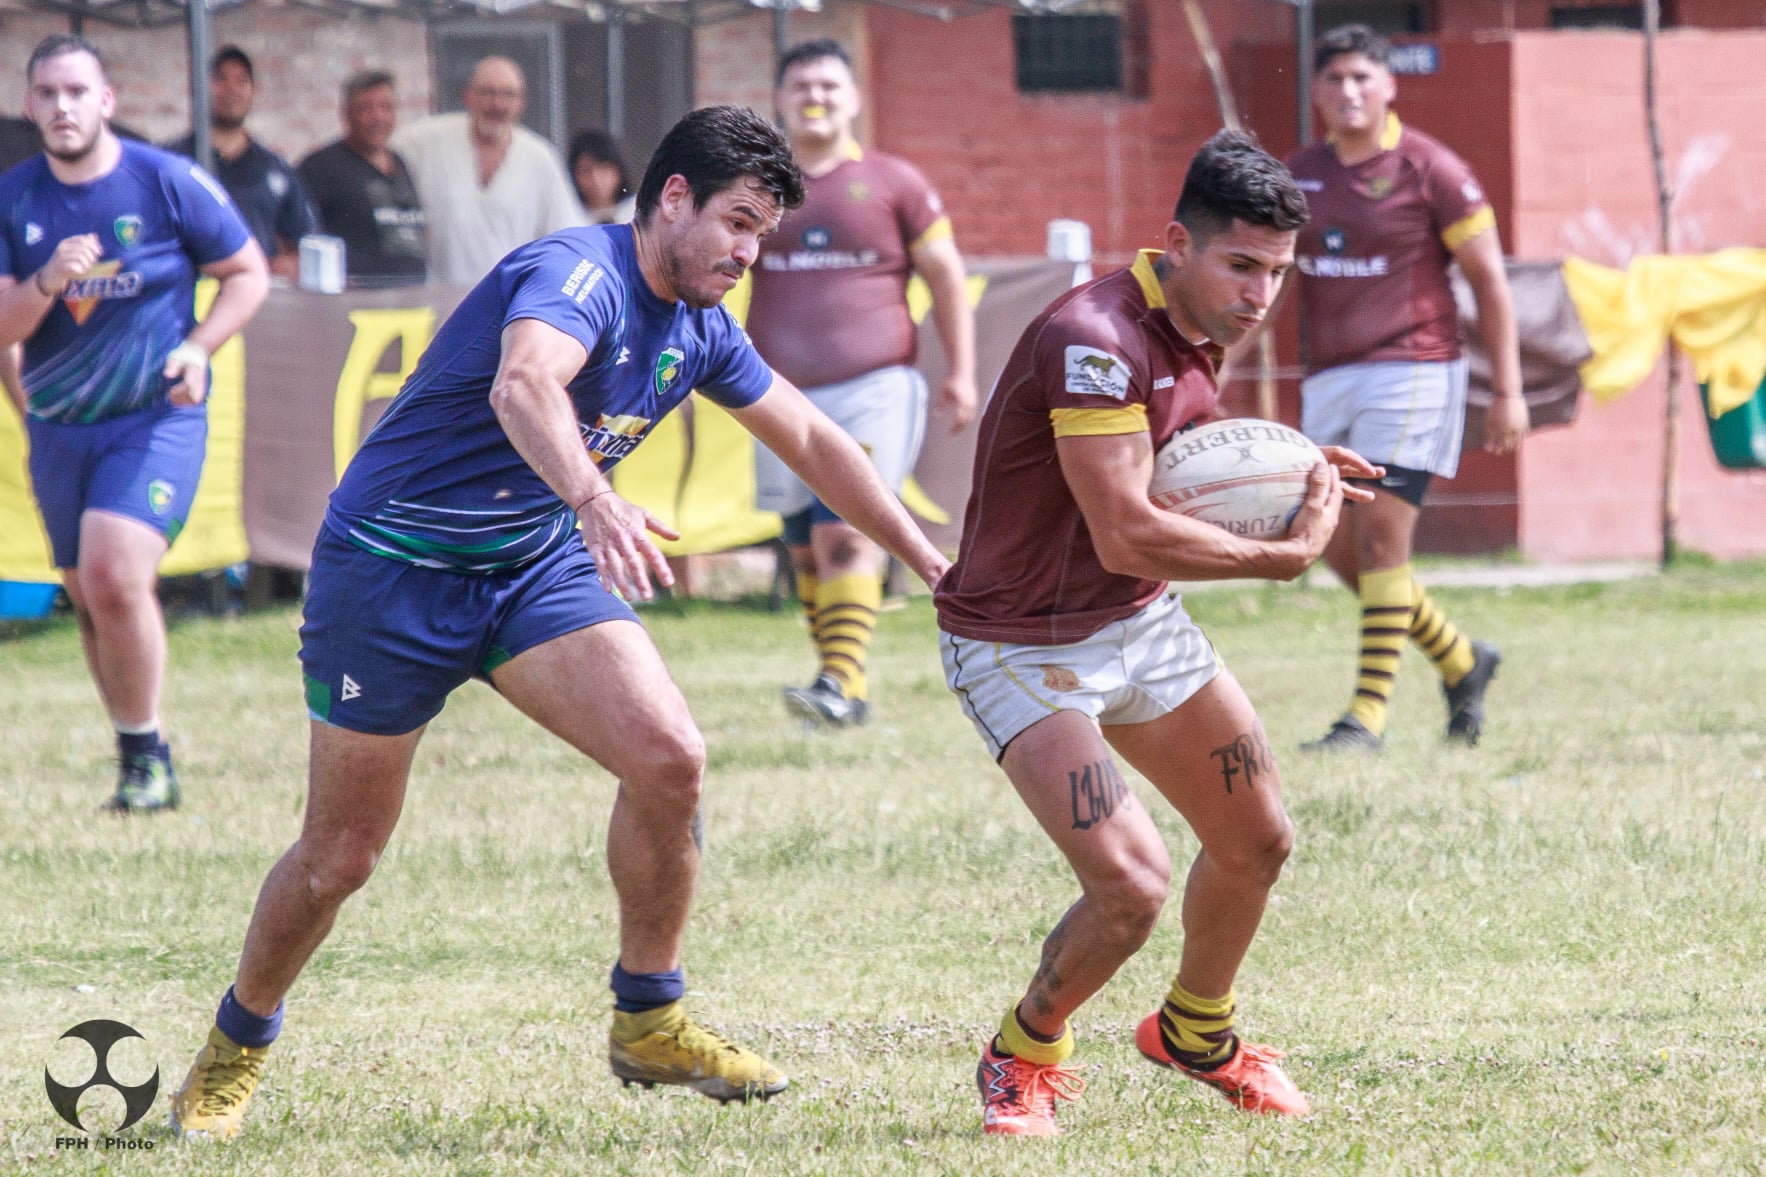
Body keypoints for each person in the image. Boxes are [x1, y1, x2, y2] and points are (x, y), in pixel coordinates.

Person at [167, 103, 949, 1141]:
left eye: (762, 233)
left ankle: (649, 1016)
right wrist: (592, 497)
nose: (747, 253)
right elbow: (523, 382)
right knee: (339, 856)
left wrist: (934, 564)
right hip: (392, 576)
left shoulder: (703, 325)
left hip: (525, 567)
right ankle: (234, 1045)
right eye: (737, 222)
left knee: (670, 756)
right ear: (672, 197)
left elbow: (811, 434)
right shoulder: (577, 274)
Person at [935, 130, 1379, 1136]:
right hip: (1021, 642)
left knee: (1256, 839)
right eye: (1240, 265)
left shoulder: (1197, 323)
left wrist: (1281, 467)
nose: (1261, 293)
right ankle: (1024, 1047)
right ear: (1176, 242)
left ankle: (1195, 1029)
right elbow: (1125, 523)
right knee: (1130, 887)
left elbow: (1169, 464)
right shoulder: (1092, 337)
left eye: (1276, 271)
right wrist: (1278, 556)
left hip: (1135, 616)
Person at [0, 34, 268, 811]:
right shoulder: (13, 198)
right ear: (28, 106)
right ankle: (136, 751)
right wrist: (49, 280)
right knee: (87, 594)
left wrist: (199, 344)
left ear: (107, 100)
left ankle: (149, 752)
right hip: (58, 428)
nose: (62, 107)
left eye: (77, 92)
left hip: (154, 418)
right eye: (47, 94)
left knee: (117, 572)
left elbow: (248, 272)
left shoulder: (166, 180)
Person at [1286, 24, 1529, 753]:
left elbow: (1489, 280)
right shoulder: (1297, 174)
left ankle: (1365, 718)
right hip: (1330, 376)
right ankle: (1462, 660)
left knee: (1385, 534)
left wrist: (1509, 391)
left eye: (1364, 77)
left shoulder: (1433, 168)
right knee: (1333, 543)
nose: (1349, 91)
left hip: (1416, 369)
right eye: (1335, 79)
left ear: (1390, 85)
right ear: (1317, 91)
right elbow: (1262, 280)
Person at [745, 38, 977, 728]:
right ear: (781, 98)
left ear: (854, 98)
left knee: (845, 529)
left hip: (874, 387)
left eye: (828, 85)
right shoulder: (756, 186)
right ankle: (841, 685)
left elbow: (946, 277)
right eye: (801, 86)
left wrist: (961, 371)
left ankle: (838, 680)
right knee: (799, 540)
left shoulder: (895, 181)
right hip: (771, 392)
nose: (815, 97)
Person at [393, 56, 584, 286]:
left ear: (521, 103)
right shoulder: (426, 140)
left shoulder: (540, 158)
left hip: (508, 301)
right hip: (438, 299)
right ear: (468, 96)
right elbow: (376, 158)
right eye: (488, 93)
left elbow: (567, 235)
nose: (498, 104)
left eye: (508, 95)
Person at [165, 46, 316, 282]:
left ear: (253, 90)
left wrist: (290, 263)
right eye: (220, 79)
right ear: (198, 88)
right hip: (187, 300)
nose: (232, 89)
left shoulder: (275, 168)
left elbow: (305, 239)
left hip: (261, 303)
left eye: (241, 80)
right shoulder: (172, 161)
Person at [296, 70, 427, 287]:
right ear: (346, 114)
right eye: (366, 108)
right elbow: (299, 238)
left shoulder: (401, 163)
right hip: (356, 306)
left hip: (413, 299)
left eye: (386, 107)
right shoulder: (320, 167)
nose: (378, 117)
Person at [569, 128, 635, 225]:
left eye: (604, 168)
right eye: (586, 171)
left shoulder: (638, 211)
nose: (596, 179)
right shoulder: (570, 215)